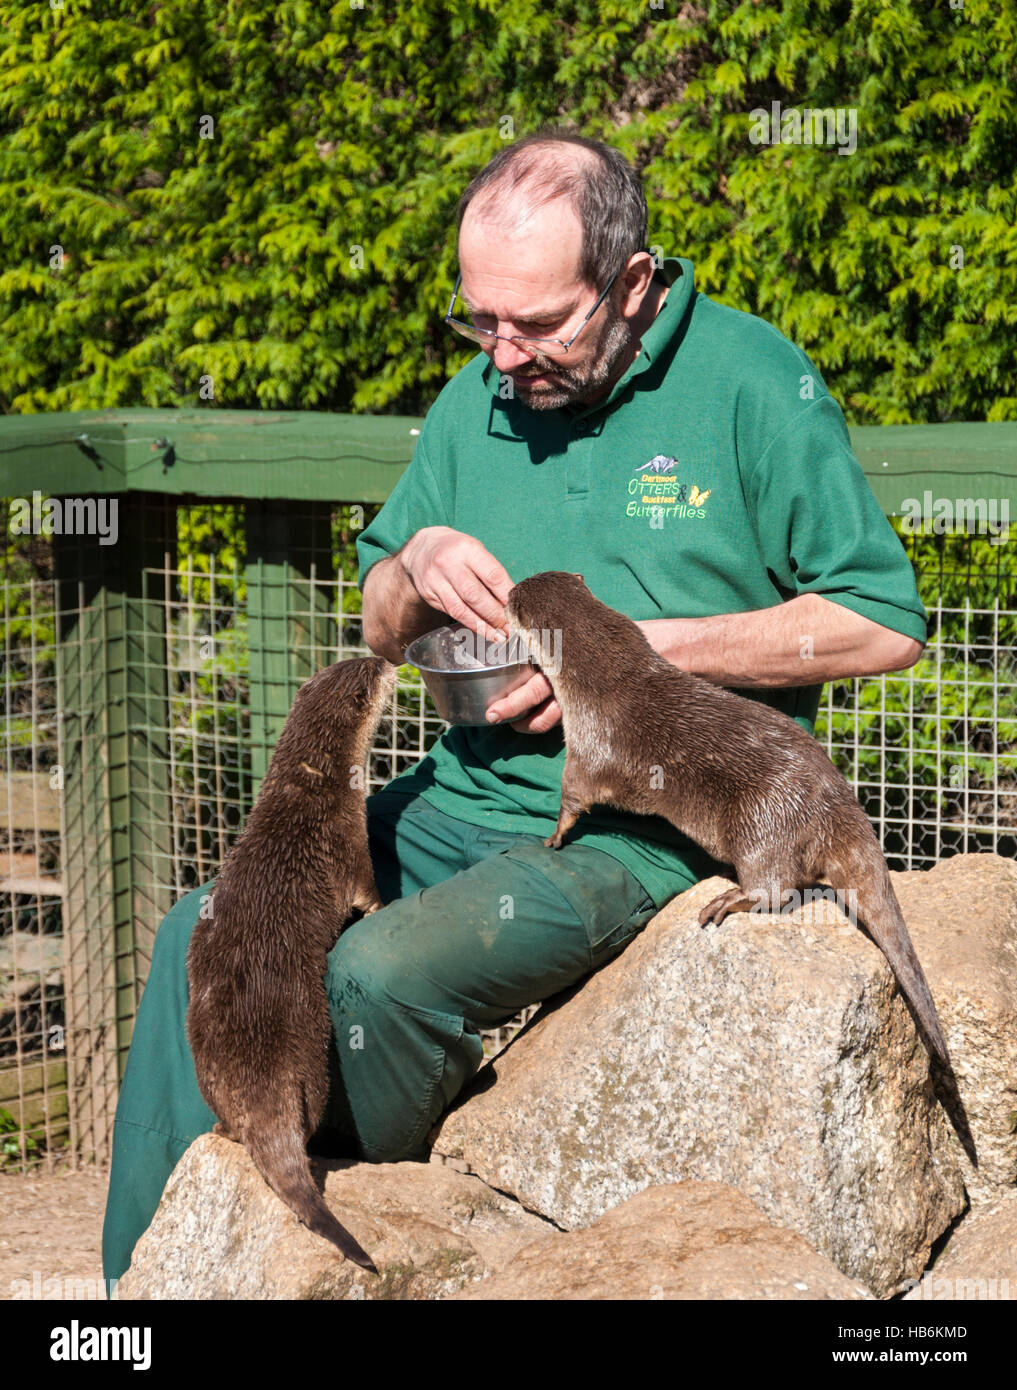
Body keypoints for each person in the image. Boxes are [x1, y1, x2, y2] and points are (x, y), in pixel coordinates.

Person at [101, 130, 927, 1290]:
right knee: (208, 929)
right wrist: (417, 559)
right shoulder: (473, 399)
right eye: (478, 320)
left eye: (535, 325)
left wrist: (655, 651)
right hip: (457, 793)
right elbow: (381, 611)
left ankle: (359, 1215)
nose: (502, 355)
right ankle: (131, 1301)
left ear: (632, 282)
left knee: (377, 976)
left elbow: (884, 621)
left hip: (641, 824)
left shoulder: (755, 384)